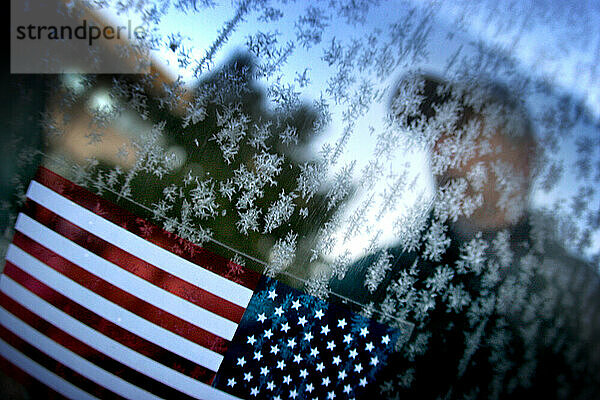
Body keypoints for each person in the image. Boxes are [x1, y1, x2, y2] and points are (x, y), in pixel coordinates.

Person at [330, 73, 600, 399]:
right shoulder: (375, 280)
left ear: (526, 156)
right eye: (435, 131)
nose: (441, 147)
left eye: (464, 130)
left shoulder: (581, 301)